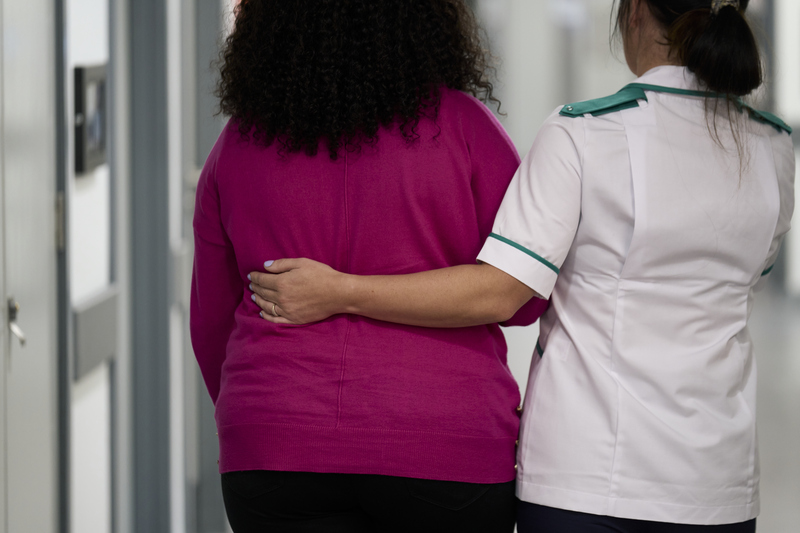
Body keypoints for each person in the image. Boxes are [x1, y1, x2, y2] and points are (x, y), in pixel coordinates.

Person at [248, 0, 795, 531]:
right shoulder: (775, 148)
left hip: (584, 475)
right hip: (715, 481)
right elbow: (744, 274)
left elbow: (505, 291)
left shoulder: (584, 134)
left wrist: (338, 291)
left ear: (634, 11)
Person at [189, 1, 549, 532]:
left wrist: (268, 413)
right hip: (444, 444)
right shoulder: (467, 129)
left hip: (275, 443)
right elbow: (527, 299)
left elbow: (212, 323)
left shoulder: (238, 144)